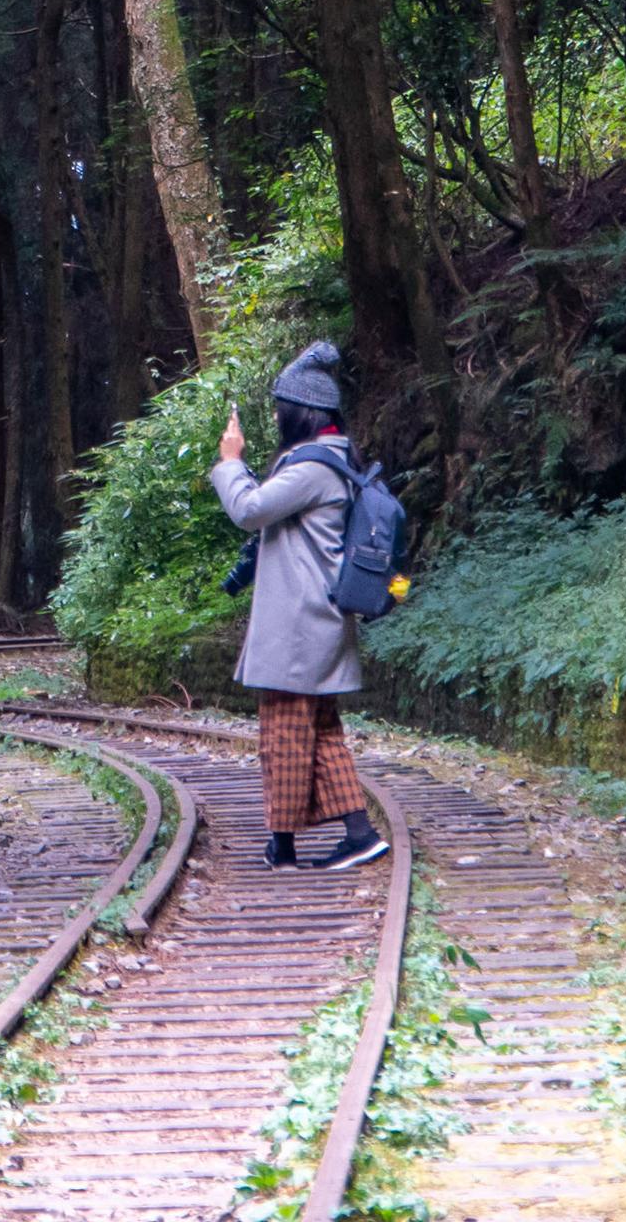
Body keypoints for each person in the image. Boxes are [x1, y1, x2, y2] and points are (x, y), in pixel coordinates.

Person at [210, 343, 390, 871]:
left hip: (299, 624)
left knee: (283, 732)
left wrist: (230, 463)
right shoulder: (334, 460)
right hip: (318, 619)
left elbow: (249, 510)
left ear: (299, 413)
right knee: (322, 730)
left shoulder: (313, 469)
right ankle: (357, 834)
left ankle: (283, 846)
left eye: (279, 409)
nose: (274, 418)